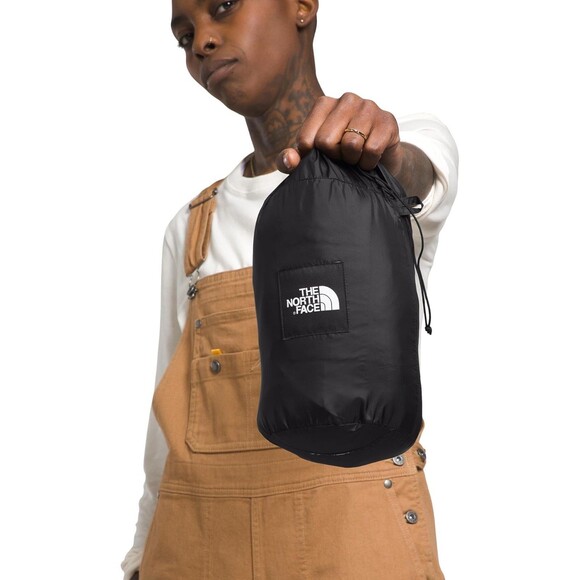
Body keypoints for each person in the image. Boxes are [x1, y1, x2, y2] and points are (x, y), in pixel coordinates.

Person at [121, 0, 458, 578]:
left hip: (353, 552)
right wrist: (137, 558)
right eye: (184, 36)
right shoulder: (192, 229)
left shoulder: (385, 176)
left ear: (302, 6)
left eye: (223, 6)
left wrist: (386, 155)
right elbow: (168, 427)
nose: (201, 42)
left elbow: (420, 173)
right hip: (201, 550)